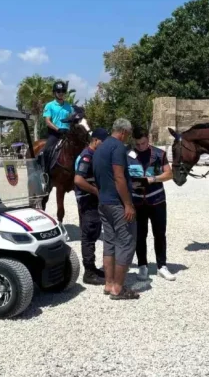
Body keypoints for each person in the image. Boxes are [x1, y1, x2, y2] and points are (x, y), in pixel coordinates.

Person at [92, 118, 139, 300]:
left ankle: (108, 283)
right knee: (126, 242)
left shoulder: (99, 148)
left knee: (109, 243)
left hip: (104, 201)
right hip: (117, 203)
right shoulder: (118, 147)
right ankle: (118, 288)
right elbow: (119, 177)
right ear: (124, 132)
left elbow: (96, 176)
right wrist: (128, 204)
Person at [127, 126, 176, 281]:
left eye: (143, 143)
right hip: (137, 202)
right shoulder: (127, 154)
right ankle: (142, 266)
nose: (141, 147)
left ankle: (162, 266)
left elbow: (169, 174)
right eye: (138, 144)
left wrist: (153, 179)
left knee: (159, 234)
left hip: (157, 201)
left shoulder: (158, 154)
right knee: (140, 235)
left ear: (148, 139)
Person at [73, 127, 109, 285]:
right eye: (103, 141)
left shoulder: (95, 154)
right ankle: (88, 272)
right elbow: (78, 180)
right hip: (88, 200)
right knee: (88, 235)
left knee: (93, 233)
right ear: (95, 140)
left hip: (93, 200)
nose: (105, 144)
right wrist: (97, 192)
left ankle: (93, 268)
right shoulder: (87, 156)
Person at [41, 80, 74, 176]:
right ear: (54, 92)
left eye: (63, 91)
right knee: (47, 150)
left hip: (68, 133)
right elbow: (47, 121)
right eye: (58, 91)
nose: (61, 94)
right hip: (55, 134)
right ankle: (46, 173)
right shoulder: (49, 105)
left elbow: (72, 120)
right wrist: (58, 129)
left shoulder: (69, 106)